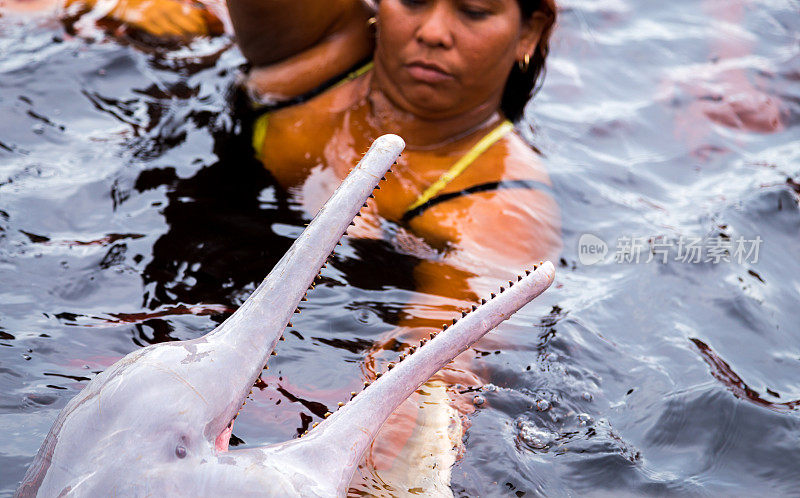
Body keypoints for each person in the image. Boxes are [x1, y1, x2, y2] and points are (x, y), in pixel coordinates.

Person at [229, 0, 561, 493]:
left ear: (528, 32)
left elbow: (429, 379)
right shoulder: (317, 55)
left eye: (472, 11)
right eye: (412, 0)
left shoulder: (500, 206)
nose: (432, 31)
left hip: (303, 383)